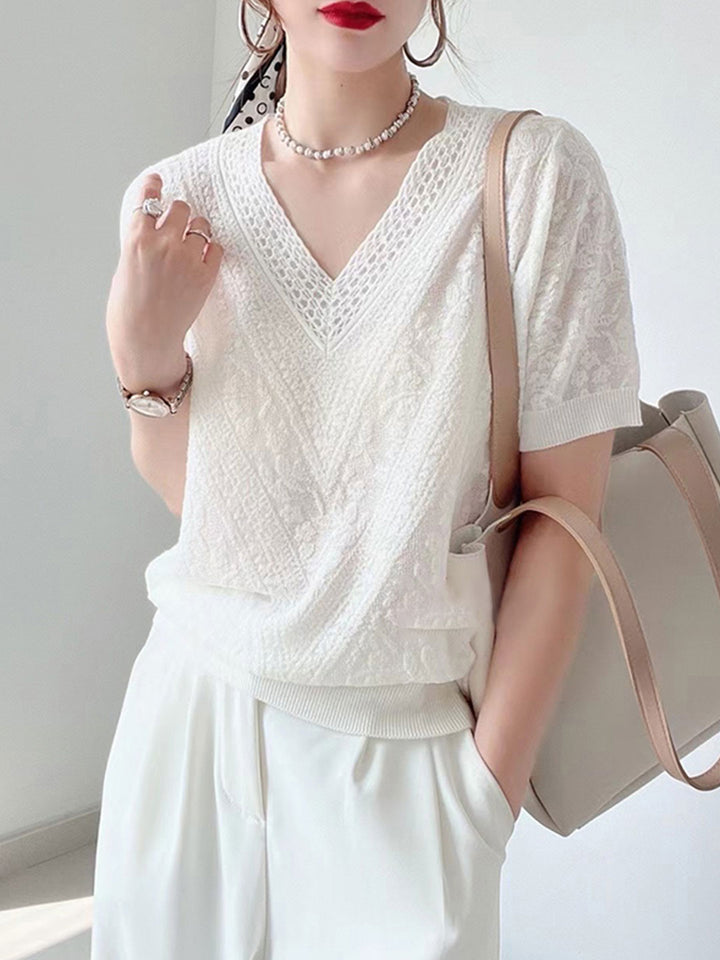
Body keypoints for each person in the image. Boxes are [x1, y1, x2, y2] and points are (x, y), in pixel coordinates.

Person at [93, 1, 644, 957]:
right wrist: (143, 357)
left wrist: (480, 803)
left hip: (401, 762)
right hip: (187, 730)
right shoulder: (183, 197)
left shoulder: (534, 179)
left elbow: (565, 520)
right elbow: (209, 509)